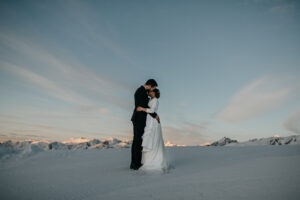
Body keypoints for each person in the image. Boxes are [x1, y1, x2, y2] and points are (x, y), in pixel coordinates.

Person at [136, 88, 169, 173]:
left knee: (153, 140)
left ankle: (154, 162)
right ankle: (148, 161)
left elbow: (152, 110)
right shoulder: (151, 100)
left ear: (154, 93)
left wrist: (142, 109)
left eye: (151, 91)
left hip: (153, 122)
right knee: (149, 139)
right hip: (149, 120)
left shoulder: (155, 100)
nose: (149, 92)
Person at [130, 79, 160, 170]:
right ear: (150, 85)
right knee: (137, 142)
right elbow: (143, 105)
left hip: (140, 120)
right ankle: (135, 164)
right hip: (139, 119)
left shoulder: (143, 91)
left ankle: (135, 163)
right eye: (153, 87)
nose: (153, 89)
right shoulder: (140, 91)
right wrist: (155, 115)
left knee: (137, 141)